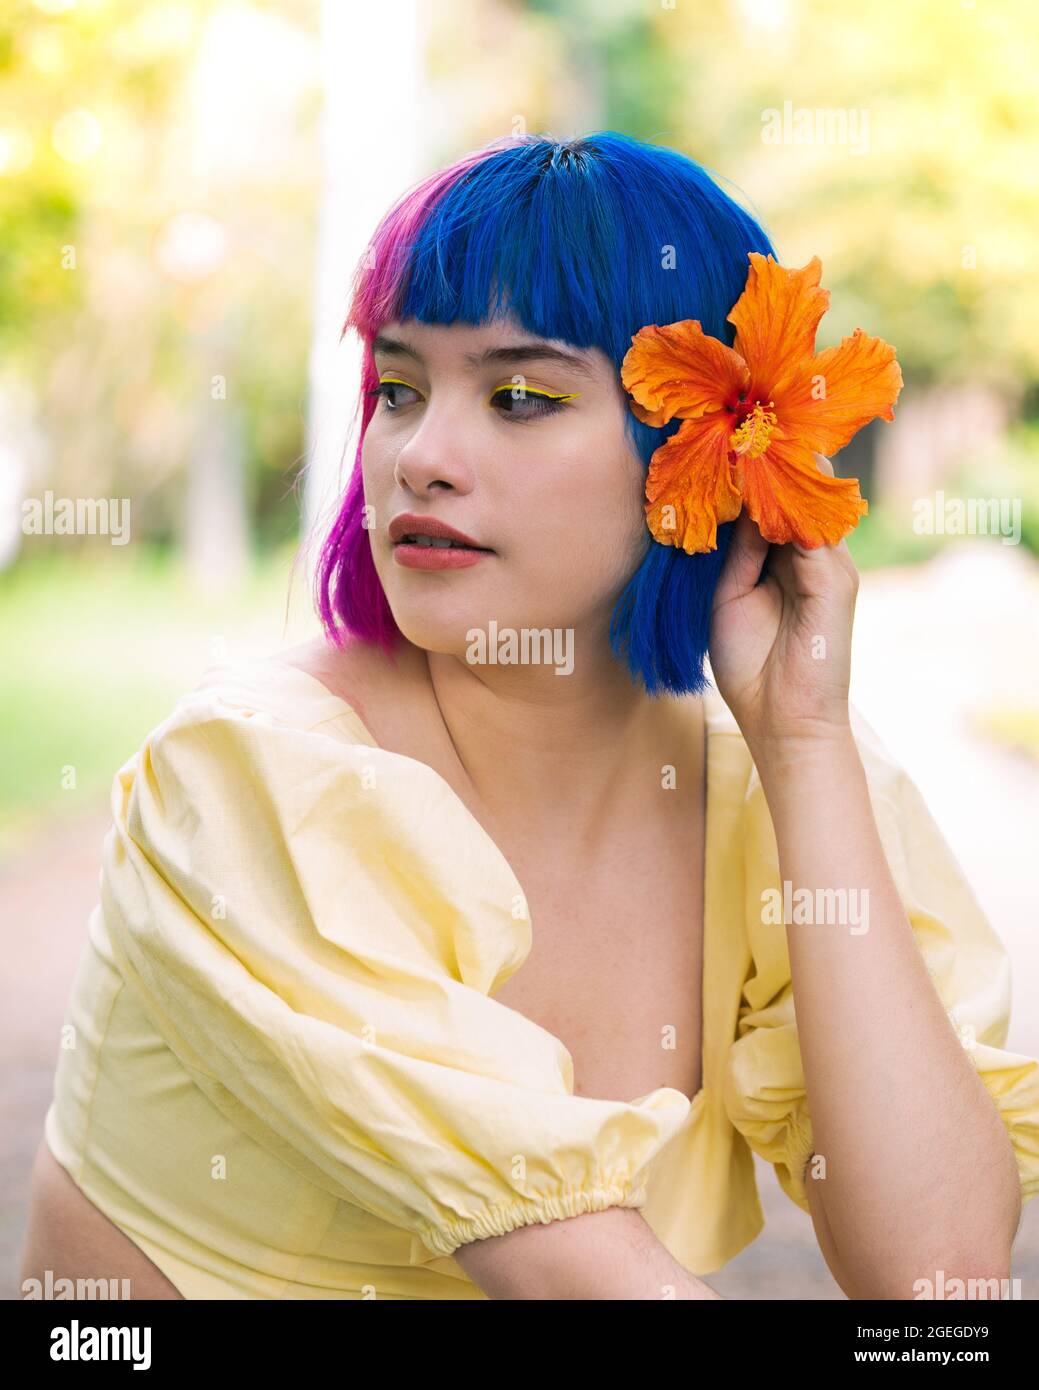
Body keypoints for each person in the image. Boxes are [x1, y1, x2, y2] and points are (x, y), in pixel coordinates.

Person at [21, 132, 1039, 1301]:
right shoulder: (252, 776)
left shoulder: (773, 788)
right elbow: (581, 1275)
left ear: (695, 451)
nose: (418, 457)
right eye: (398, 388)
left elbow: (942, 1279)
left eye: (518, 395)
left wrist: (804, 745)